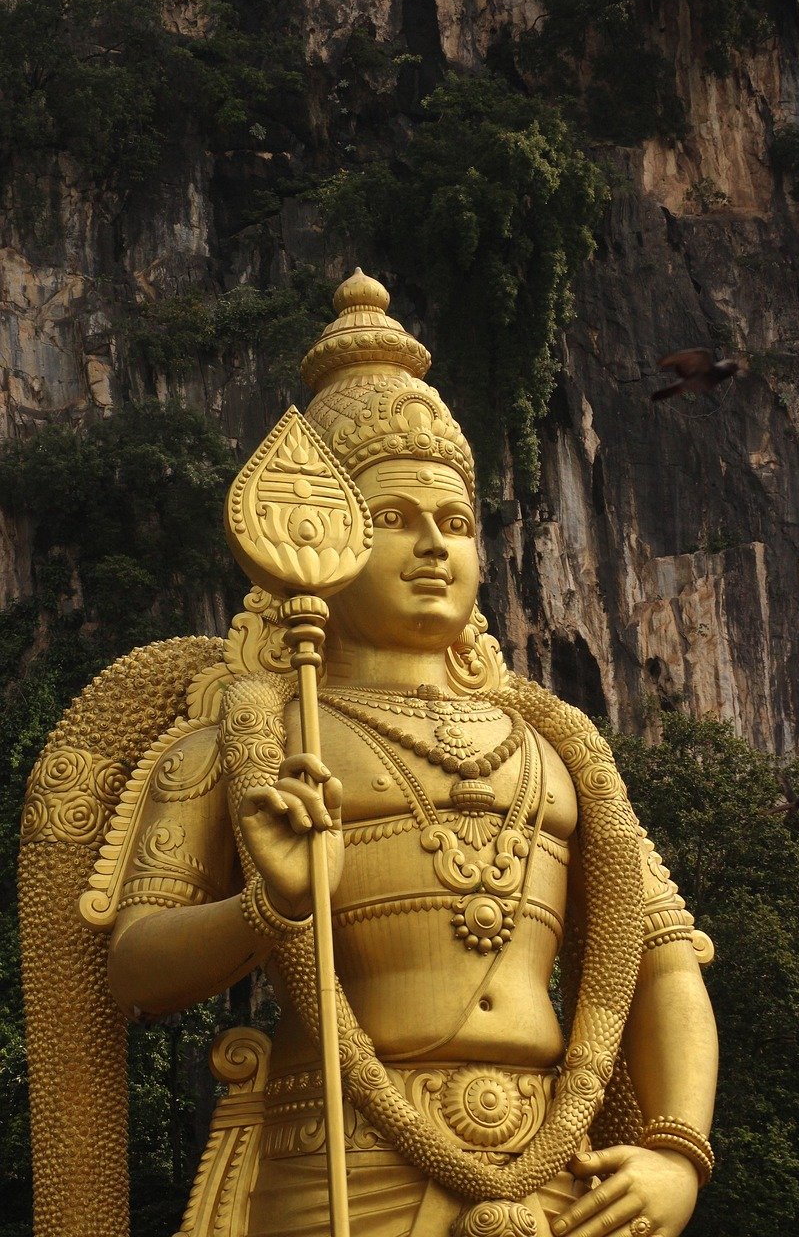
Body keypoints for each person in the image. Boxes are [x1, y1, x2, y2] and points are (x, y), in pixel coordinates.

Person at [22, 271, 717, 1237]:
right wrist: (265, 906)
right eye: (394, 518)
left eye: (456, 522)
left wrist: (677, 1148)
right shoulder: (254, 737)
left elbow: (663, 962)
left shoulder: (555, 747)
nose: (433, 546)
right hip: (337, 1168)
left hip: (560, 1172)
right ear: (317, 538)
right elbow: (132, 969)